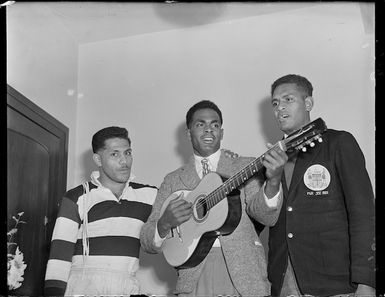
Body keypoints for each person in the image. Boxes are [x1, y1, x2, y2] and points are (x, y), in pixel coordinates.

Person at [140, 100, 288, 296]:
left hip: (245, 277)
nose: (209, 130)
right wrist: (164, 224)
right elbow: (146, 240)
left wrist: (274, 181)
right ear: (188, 133)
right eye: (200, 124)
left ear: (222, 133)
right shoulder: (173, 180)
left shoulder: (245, 167)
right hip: (193, 279)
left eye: (215, 124)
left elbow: (267, 217)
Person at [267, 74, 375, 296]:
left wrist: (367, 282)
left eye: (288, 99)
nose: (280, 108)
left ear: (308, 103)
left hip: (336, 283)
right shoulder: (270, 161)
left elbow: (364, 215)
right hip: (284, 283)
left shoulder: (339, 143)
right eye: (275, 103)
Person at [44, 126, 157, 296]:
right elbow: (58, 258)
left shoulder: (149, 195)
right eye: (115, 154)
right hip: (82, 287)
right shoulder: (76, 197)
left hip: (126, 286)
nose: (124, 161)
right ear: (98, 159)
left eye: (128, 153)